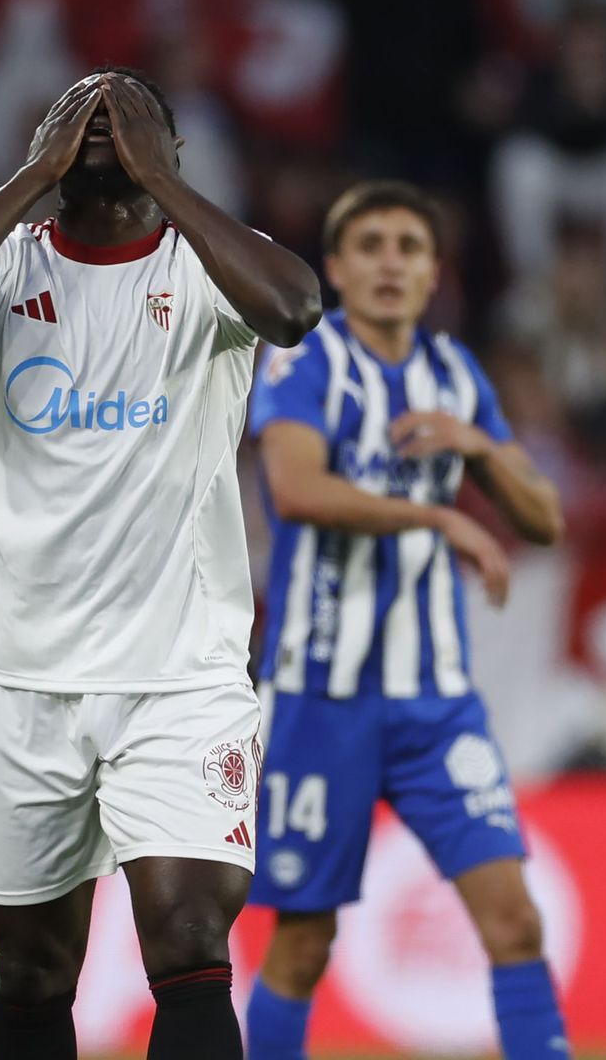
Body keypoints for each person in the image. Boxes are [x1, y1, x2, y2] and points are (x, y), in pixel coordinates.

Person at [0, 67, 322, 1060]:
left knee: (190, 938)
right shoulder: (5, 265)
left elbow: (295, 308)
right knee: (29, 970)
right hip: (24, 679)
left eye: (129, 118)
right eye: (77, 115)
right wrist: (28, 180)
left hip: (180, 676)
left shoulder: (206, 268)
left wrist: (166, 188)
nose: (101, 127)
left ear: (171, 152)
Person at [243, 181, 570, 1060]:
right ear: (338, 269)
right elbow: (296, 489)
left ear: (433, 274)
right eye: (372, 245)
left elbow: (545, 521)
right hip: (321, 699)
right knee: (303, 944)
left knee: (515, 921)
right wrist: (440, 515)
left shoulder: (456, 376)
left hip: (437, 705)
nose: (391, 261)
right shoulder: (303, 361)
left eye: (410, 247)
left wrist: (482, 449)